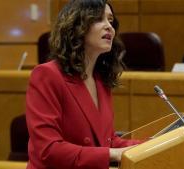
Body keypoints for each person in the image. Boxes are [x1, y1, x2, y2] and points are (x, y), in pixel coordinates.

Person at [25, 0, 142, 169]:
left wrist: (149, 146)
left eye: (110, 20)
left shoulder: (101, 80)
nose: (109, 26)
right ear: (76, 26)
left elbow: (106, 141)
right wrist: (112, 154)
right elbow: (48, 149)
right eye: (98, 19)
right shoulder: (47, 75)